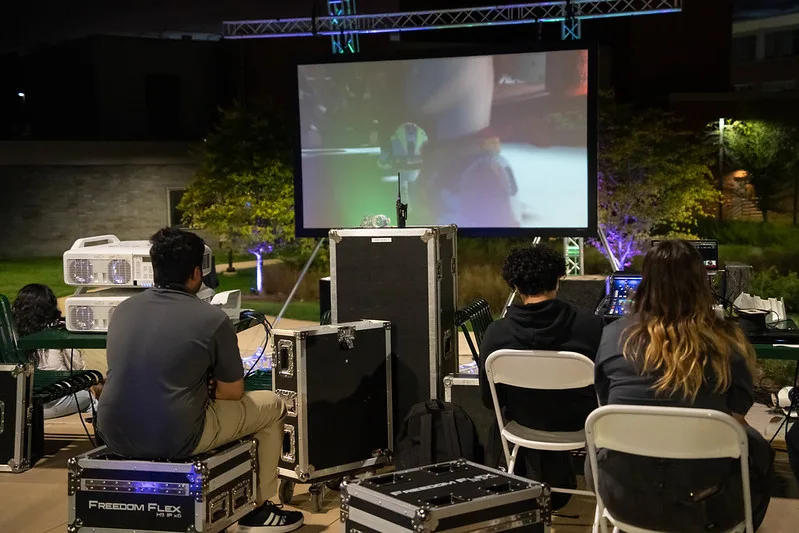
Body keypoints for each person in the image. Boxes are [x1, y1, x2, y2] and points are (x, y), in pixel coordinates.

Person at [97, 228, 303, 533]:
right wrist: (204, 388)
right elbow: (232, 393)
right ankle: (258, 509)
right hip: (177, 436)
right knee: (271, 405)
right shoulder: (212, 318)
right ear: (196, 272)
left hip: (112, 432)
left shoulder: (123, 310)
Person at [589, 240, 774, 532]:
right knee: (756, 446)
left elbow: (606, 407)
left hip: (624, 499)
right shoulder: (728, 343)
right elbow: (734, 423)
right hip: (706, 506)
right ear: (701, 284)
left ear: (646, 282)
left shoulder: (612, 336)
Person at [478, 245, 604, 509]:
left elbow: (489, 401)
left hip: (522, 426)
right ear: (558, 280)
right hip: (579, 426)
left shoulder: (496, 334)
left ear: (515, 286)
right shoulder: (590, 327)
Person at [12, 284, 101, 419]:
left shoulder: (11, 334)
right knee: (90, 399)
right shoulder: (57, 330)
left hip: (18, 404)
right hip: (52, 398)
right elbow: (76, 367)